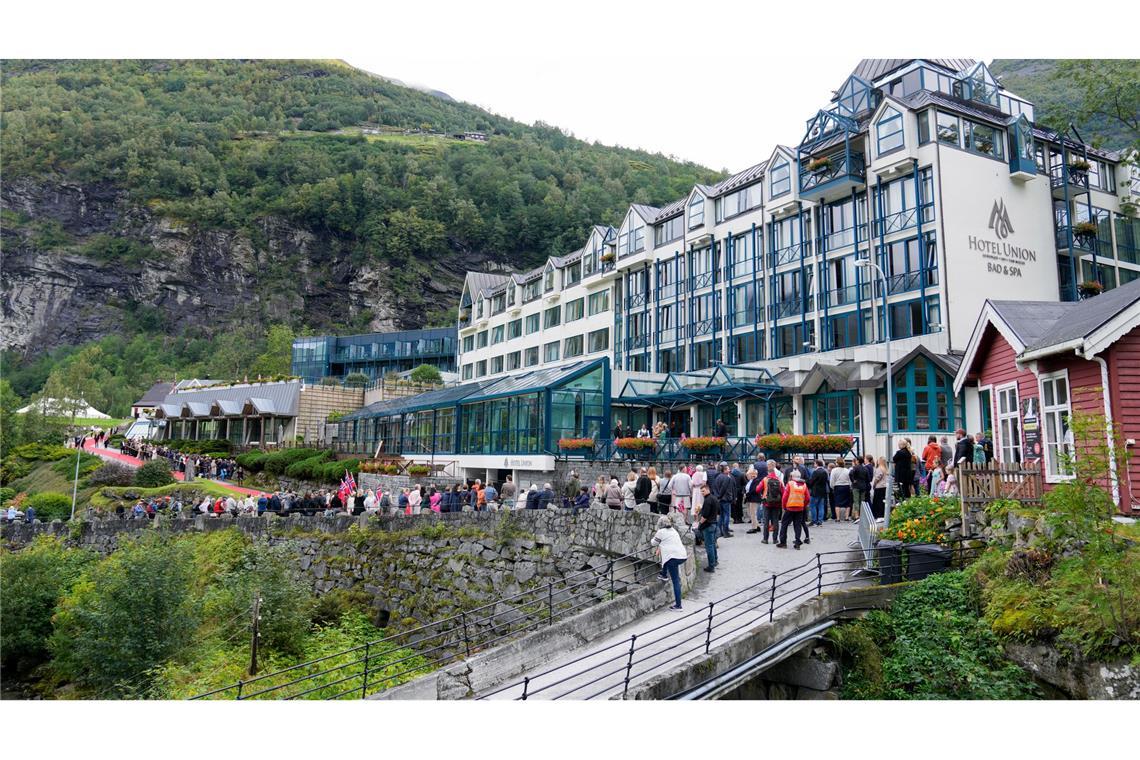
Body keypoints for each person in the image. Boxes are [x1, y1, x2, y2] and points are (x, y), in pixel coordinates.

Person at [651, 515, 687, 611]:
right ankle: (663, 574)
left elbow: (653, 543)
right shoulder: (673, 530)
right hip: (682, 555)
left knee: (675, 580)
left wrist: (656, 538)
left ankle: (678, 606)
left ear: (660, 524)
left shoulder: (661, 532)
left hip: (673, 558)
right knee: (667, 558)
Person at [778, 469, 808, 549]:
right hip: (800, 508)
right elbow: (807, 498)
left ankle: (783, 542)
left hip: (790, 507)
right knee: (797, 525)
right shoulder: (804, 485)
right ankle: (797, 542)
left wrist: (784, 506)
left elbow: (784, 497)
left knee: (784, 524)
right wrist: (803, 505)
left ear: (792, 477)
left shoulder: (790, 484)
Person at [696, 482, 720, 573]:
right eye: (701, 492)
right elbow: (718, 511)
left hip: (708, 525)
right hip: (714, 523)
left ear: (708, 490)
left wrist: (699, 524)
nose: (702, 493)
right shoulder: (714, 498)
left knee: (709, 545)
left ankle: (711, 566)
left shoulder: (707, 500)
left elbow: (705, 516)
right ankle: (715, 561)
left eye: (703, 491)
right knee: (712, 544)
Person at [761, 462, 783, 544]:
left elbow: (757, 489)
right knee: (775, 521)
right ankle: (775, 539)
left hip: (767, 502)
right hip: (777, 503)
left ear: (768, 472)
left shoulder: (765, 479)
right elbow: (783, 491)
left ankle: (765, 539)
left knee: (766, 520)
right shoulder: (779, 480)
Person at [711, 462, 735, 538]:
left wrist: (717, 497)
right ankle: (725, 532)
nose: (730, 470)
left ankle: (720, 531)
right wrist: (720, 496)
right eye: (728, 469)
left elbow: (714, 488)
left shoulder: (717, 477)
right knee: (726, 515)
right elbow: (724, 489)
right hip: (725, 498)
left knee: (721, 515)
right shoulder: (726, 478)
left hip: (719, 498)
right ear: (724, 470)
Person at [807, 459, 829, 527]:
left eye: (814, 464)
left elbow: (811, 481)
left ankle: (814, 521)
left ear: (816, 464)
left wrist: (807, 483)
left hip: (815, 491)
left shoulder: (815, 472)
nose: (814, 465)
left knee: (812, 506)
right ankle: (820, 521)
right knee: (821, 506)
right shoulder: (825, 472)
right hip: (822, 491)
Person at [830, 458, 853, 523]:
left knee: (837, 502)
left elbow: (832, 480)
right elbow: (850, 480)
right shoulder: (847, 470)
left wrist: (832, 487)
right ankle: (846, 517)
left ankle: (838, 518)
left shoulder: (834, 470)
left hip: (837, 487)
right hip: (846, 487)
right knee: (847, 503)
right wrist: (850, 486)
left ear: (837, 463)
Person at [743, 467, 764, 533]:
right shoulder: (751, 481)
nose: (747, 476)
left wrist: (747, 494)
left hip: (754, 499)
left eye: (748, 475)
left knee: (753, 514)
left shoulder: (756, 481)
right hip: (751, 498)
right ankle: (757, 526)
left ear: (752, 475)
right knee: (752, 513)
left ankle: (754, 528)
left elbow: (754, 490)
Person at [850, 454, 870, 520]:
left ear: (857, 461)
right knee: (862, 501)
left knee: (856, 501)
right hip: (863, 486)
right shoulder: (865, 468)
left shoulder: (855, 468)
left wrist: (853, 480)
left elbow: (850, 474)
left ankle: (856, 515)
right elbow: (868, 479)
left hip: (856, 486)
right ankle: (862, 515)